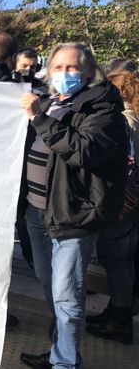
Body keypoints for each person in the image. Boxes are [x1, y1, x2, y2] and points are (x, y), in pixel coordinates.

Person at [18, 43, 127, 369]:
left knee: (67, 296)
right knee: (51, 287)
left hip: (72, 215)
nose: (64, 74)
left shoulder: (103, 109)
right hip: (37, 211)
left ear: (89, 72)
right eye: (58, 68)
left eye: (72, 68)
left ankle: (64, 364)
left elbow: (83, 150)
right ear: (48, 71)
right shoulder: (50, 103)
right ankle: (60, 352)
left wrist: (38, 118)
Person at [85, 58, 139, 344]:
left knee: (117, 260)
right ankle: (119, 310)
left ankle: (119, 319)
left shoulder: (124, 121)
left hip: (121, 202)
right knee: (125, 261)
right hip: (132, 202)